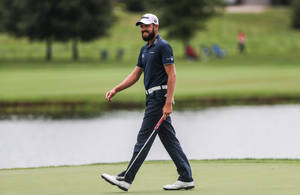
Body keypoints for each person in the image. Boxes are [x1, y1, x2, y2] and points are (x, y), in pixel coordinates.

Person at [101, 13, 194, 191]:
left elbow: (172, 76)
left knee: (143, 139)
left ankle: (126, 178)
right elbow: (136, 74)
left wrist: (168, 103)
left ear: (155, 27)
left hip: (159, 100)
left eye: (147, 26)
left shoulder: (163, 47)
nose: (143, 29)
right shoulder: (145, 50)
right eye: (141, 26)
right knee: (169, 140)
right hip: (151, 98)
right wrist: (116, 89)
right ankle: (186, 177)